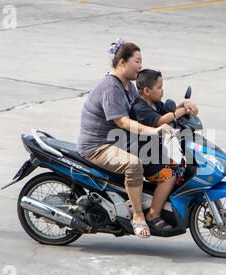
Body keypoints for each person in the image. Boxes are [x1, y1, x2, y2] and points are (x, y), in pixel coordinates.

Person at [77, 38, 174, 238]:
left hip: (116, 140)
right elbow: (123, 122)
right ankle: (138, 216)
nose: (141, 66)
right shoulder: (110, 87)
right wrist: (153, 132)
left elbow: (146, 108)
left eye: (141, 61)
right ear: (122, 62)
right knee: (134, 165)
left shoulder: (127, 86)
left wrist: (182, 109)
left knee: (161, 159)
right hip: (97, 146)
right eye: (137, 61)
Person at [130, 69, 198, 231]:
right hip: (142, 155)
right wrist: (181, 111)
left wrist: (185, 105)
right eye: (159, 87)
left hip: (153, 152)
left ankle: (164, 204)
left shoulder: (154, 104)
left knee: (179, 166)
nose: (162, 91)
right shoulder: (140, 107)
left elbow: (169, 112)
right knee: (169, 177)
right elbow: (162, 120)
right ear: (147, 91)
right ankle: (153, 215)